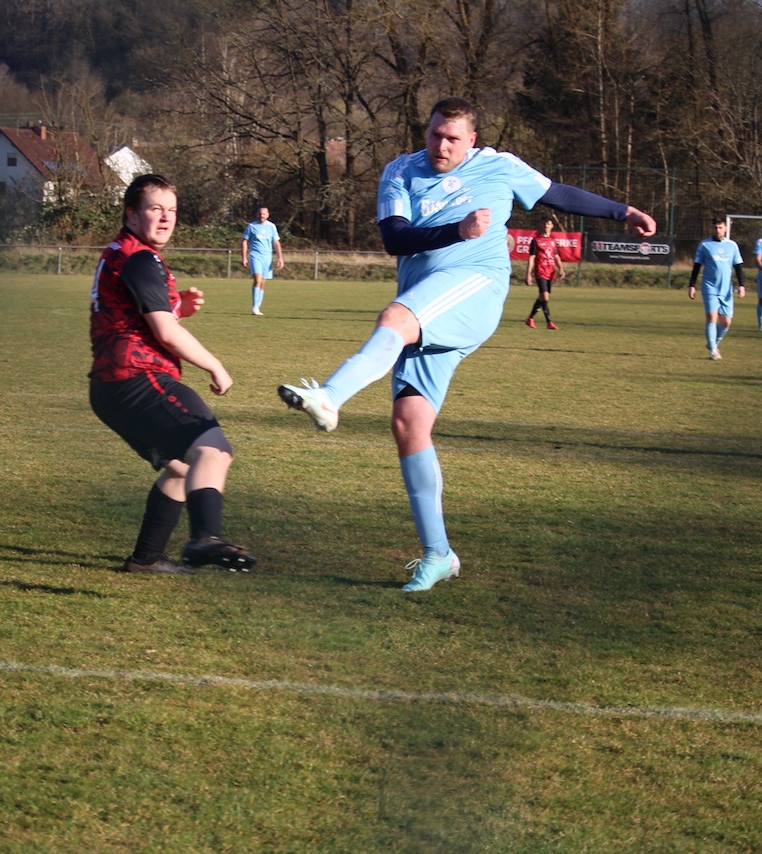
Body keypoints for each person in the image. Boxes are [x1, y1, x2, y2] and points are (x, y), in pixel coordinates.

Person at [278, 97, 656, 592]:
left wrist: (623, 211)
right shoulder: (400, 171)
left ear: (472, 140)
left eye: (453, 138)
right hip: (425, 301)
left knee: (394, 318)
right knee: (409, 425)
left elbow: (557, 194)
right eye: (435, 134)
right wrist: (456, 230)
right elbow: (395, 239)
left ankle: (330, 396)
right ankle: (438, 555)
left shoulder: (500, 167)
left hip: (475, 286)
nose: (441, 145)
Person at [90, 173, 256, 574]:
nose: (166, 218)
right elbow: (165, 331)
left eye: (172, 210)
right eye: (155, 209)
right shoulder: (140, 258)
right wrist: (215, 364)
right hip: (136, 376)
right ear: (132, 215)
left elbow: (133, 310)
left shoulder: (123, 252)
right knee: (212, 450)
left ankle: (145, 560)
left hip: (110, 386)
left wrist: (176, 303)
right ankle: (205, 538)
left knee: (184, 468)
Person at [688, 217, 746, 360]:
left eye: (720, 228)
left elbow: (738, 267)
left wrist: (741, 285)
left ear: (725, 228)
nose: (718, 230)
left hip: (726, 290)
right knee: (712, 318)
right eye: (715, 228)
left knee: (726, 322)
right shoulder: (704, 245)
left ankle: (713, 342)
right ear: (711, 228)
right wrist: (692, 285)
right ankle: (713, 351)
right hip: (710, 287)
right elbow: (697, 266)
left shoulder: (732, 245)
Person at [241, 205, 284, 315]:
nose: (262, 215)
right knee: (258, 279)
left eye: (264, 214)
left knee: (263, 283)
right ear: (257, 214)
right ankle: (255, 306)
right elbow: (244, 241)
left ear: (267, 215)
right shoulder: (251, 226)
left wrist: (280, 258)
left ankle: (258, 306)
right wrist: (244, 257)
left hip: (267, 257)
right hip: (255, 255)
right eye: (260, 213)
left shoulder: (271, 227)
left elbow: (276, 243)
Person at [524, 217, 562, 329]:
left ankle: (530, 318)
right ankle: (549, 322)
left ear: (552, 226)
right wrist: (528, 274)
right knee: (544, 295)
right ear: (541, 225)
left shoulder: (553, 241)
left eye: (548, 223)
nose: (546, 225)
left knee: (543, 297)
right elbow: (532, 257)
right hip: (540, 270)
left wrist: (561, 269)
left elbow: (556, 256)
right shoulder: (535, 240)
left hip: (550, 271)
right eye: (544, 223)